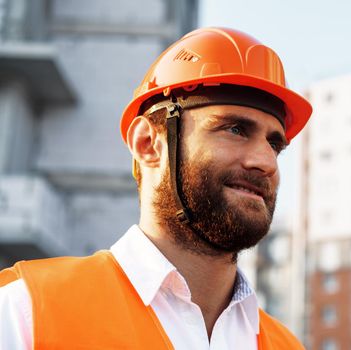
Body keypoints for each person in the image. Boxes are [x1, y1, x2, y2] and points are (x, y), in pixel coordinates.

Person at [0, 27, 312, 349]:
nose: (267, 162)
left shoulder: (286, 345)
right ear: (149, 144)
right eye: (235, 129)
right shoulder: (27, 314)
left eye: (275, 145)